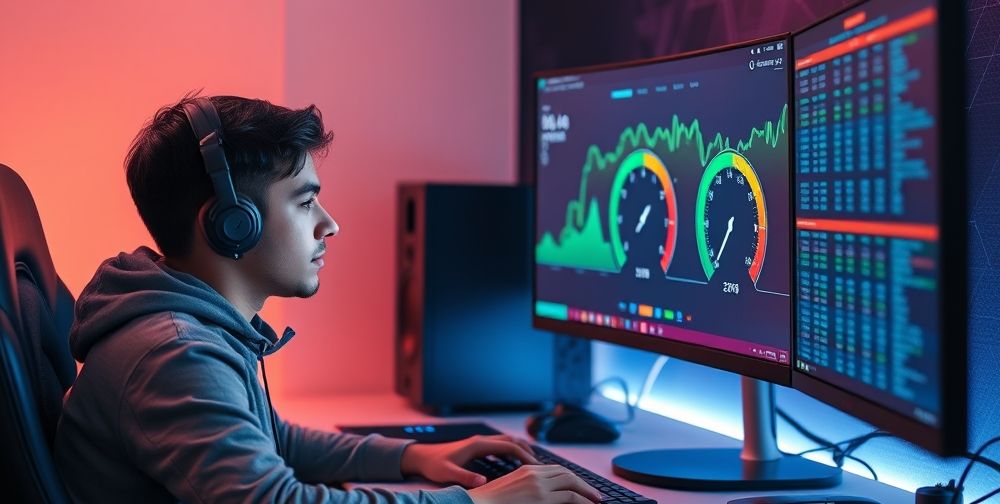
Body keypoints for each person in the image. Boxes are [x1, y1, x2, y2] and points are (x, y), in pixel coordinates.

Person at [54, 95, 603, 504]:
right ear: (230, 226)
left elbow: (271, 439)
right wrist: (476, 501)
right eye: (304, 202)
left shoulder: (190, 329)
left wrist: (413, 457)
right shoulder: (174, 354)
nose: (329, 225)